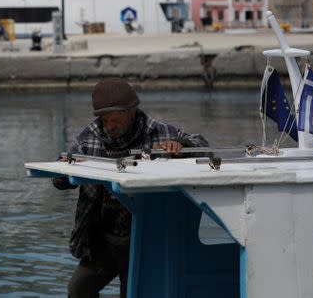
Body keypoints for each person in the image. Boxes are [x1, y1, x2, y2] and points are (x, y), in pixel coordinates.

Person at [53, 78, 208, 298]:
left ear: (131, 113)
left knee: (134, 292)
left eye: (114, 120)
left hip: (143, 238)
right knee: (78, 290)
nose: (109, 127)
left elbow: (204, 147)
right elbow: (59, 183)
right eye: (104, 121)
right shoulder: (88, 138)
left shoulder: (159, 132)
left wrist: (183, 147)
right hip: (102, 240)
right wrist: (63, 168)